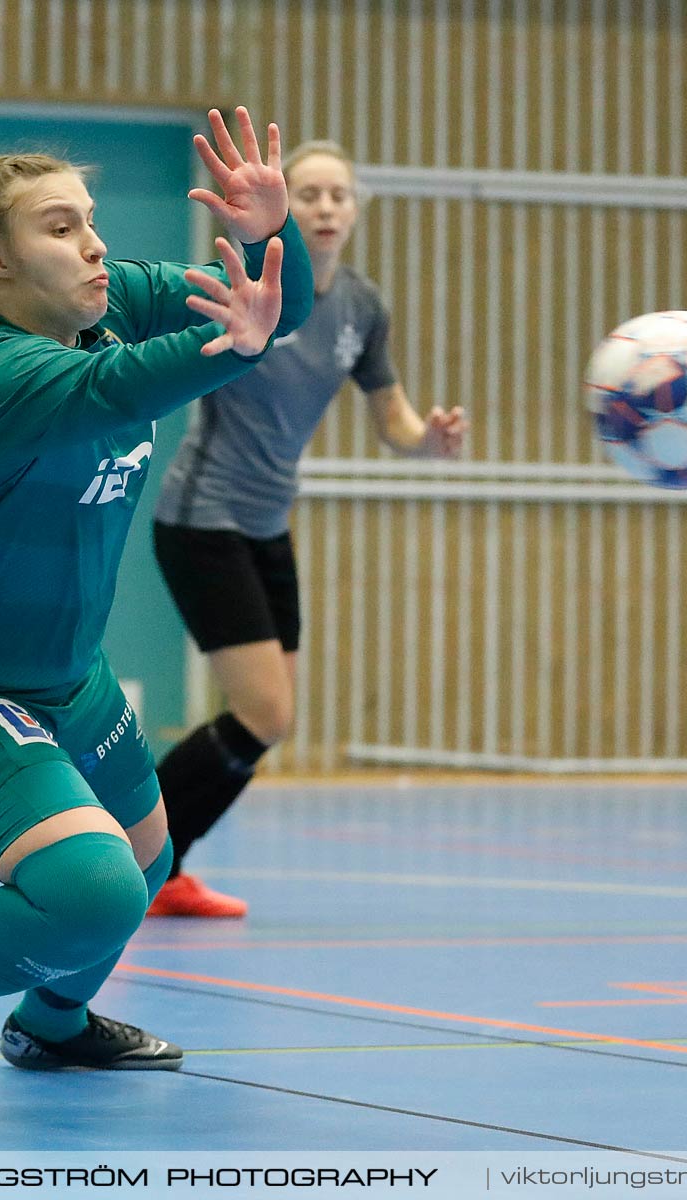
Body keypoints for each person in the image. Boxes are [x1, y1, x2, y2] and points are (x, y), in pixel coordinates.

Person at [0, 106, 312, 1119]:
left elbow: (267, 313)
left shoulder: (106, 301)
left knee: (146, 866)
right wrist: (236, 345)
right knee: (93, 887)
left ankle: (51, 1022)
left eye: (90, 220)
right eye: (59, 227)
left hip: (67, 678)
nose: (94, 241)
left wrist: (263, 234)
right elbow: (128, 381)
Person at [147, 140, 467, 919]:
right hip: (201, 517)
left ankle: (162, 865)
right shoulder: (257, 288)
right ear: (288, 207)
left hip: (268, 524)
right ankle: (130, 854)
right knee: (267, 713)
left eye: (338, 196)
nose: (325, 208)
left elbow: (389, 414)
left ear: (356, 211)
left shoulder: (362, 306)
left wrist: (426, 438)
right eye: (310, 194)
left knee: (265, 721)